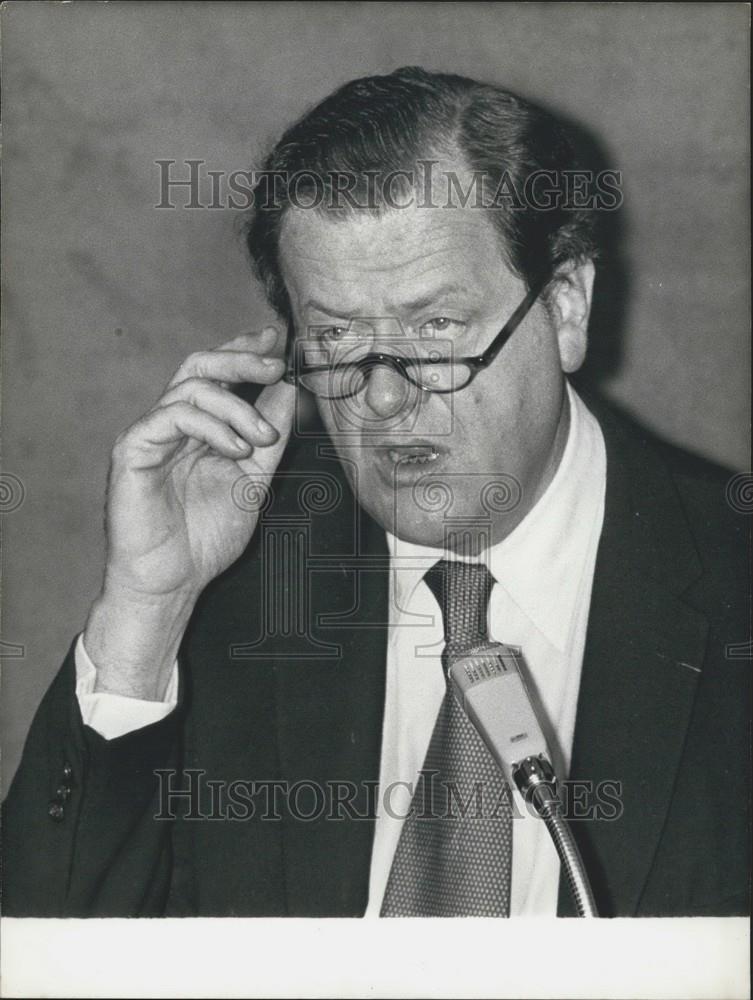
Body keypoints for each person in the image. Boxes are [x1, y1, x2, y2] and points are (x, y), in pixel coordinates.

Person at [3, 66, 749, 918]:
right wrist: (147, 611)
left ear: (566, 307)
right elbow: (41, 952)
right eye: (335, 338)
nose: (385, 398)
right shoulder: (234, 586)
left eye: (435, 330)